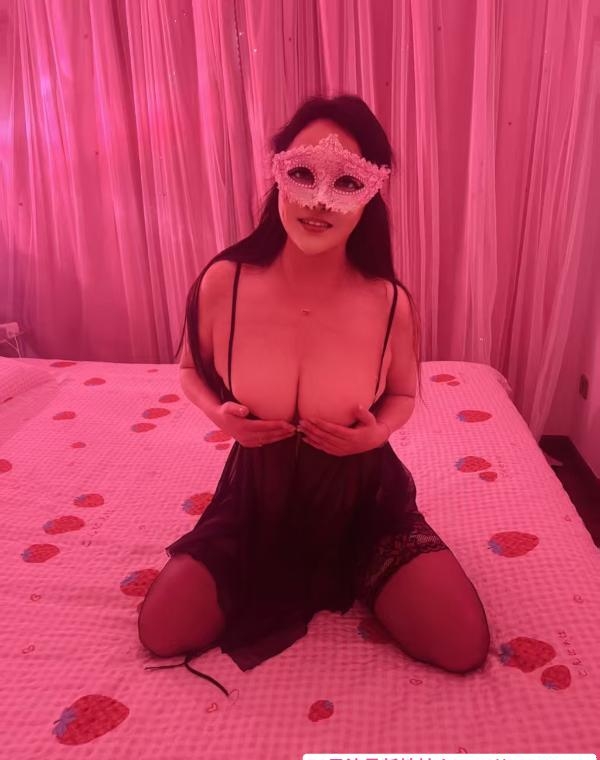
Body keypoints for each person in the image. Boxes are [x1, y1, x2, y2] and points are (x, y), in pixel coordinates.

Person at [138, 95, 491, 693]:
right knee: (162, 630)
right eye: (302, 173)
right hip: (259, 496)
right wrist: (222, 417)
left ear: (372, 192)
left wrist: (377, 435)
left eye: (346, 181)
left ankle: (358, 568)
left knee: (461, 643)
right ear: (278, 173)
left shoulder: (389, 303)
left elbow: (402, 395)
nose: (319, 201)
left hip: (361, 500)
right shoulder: (224, 282)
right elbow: (189, 369)